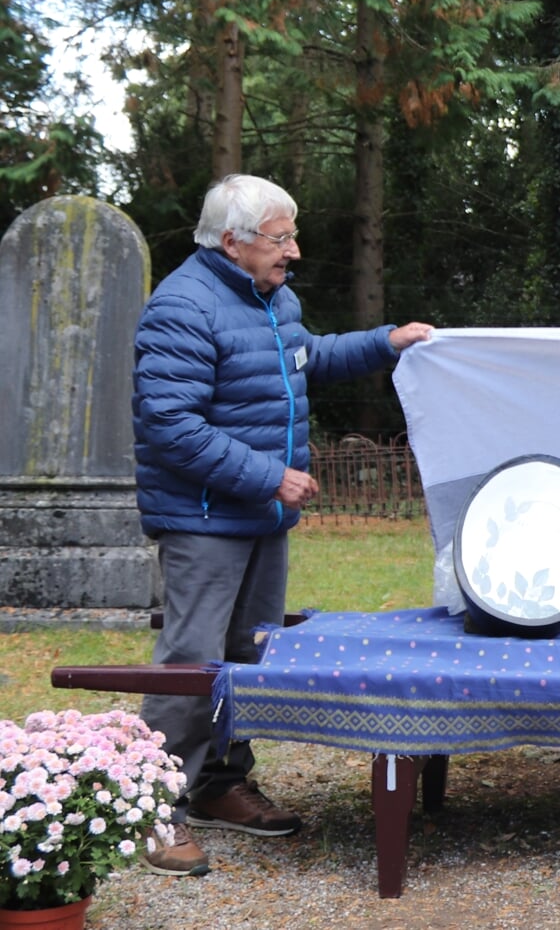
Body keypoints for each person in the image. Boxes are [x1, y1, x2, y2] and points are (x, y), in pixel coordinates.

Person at [132, 174, 434, 877]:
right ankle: (151, 809)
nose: (294, 250)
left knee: (246, 655)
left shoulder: (272, 299)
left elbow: (307, 358)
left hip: (261, 519)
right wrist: (269, 476)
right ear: (232, 241)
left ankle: (219, 785)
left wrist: (386, 341)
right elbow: (170, 425)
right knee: (191, 661)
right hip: (206, 520)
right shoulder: (182, 307)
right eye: (281, 237)